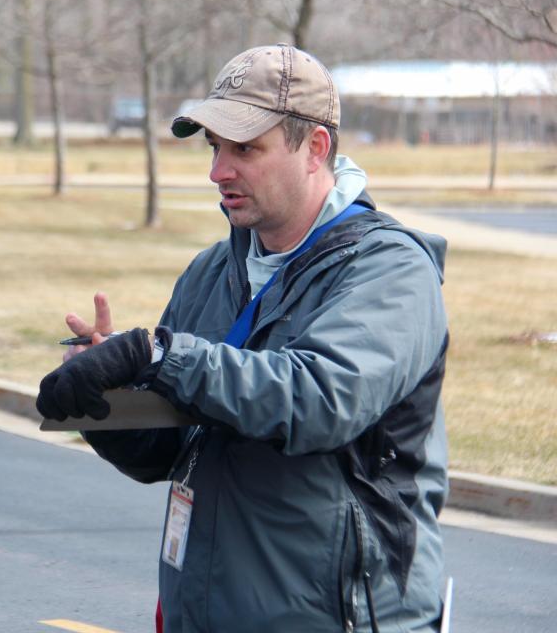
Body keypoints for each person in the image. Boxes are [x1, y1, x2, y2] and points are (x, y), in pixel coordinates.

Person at [37, 44, 449, 633]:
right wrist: (107, 402)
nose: (218, 171)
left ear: (315, 148)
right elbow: (173, 449)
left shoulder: (388, 270)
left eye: (245, 149)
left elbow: (316, 400)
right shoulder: (212, 270)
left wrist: (158, 353)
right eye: (214, 148)